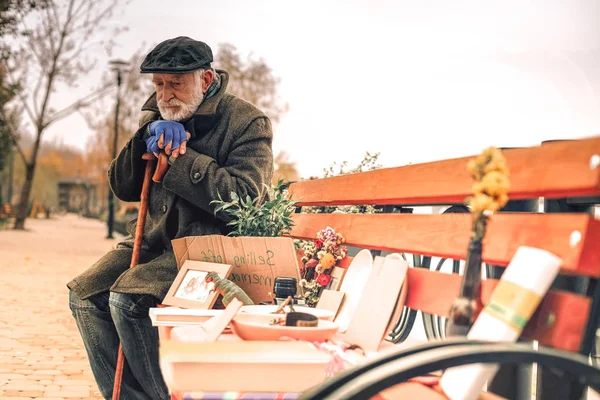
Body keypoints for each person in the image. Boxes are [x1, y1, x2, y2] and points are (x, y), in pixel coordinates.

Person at [67, 36, 274, 400]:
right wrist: (144, 138)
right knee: (85, 296)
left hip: (208, 249)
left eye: (176, 83)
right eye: (159, 84)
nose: (166, 95)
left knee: (128, 301)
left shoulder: (246, 122)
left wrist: (181, 158)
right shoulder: (155, 117)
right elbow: (123, 187)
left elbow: (245, 199)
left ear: (206, 80)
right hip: (151, 243)